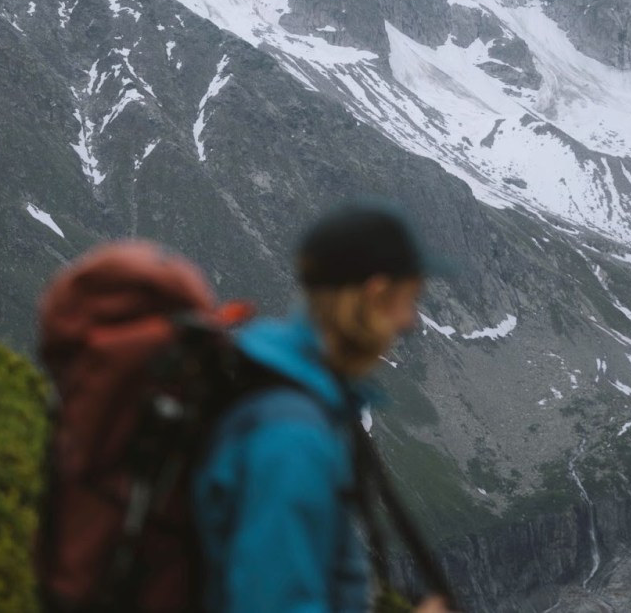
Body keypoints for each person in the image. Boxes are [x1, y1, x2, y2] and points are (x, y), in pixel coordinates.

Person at [193, 203, 455, 613]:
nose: (413, 321)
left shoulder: (287, 393)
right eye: (410, 298)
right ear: (376, 293)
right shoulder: (291, 434)